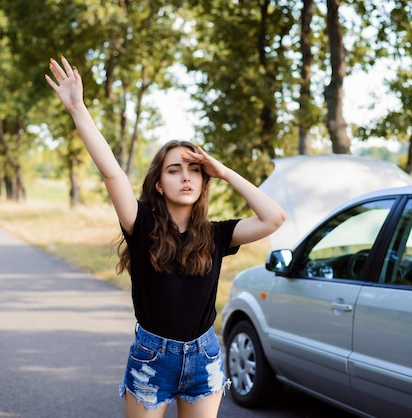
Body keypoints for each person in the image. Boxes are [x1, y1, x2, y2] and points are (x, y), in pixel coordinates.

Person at [45, 56, 285, 418]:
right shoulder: (140, 224)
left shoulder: (217, 234)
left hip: (204, 357)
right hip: (152, 359)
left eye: (194, 170)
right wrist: (78, 108)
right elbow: (112, 173)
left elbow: (273, 218)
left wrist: (223, 171)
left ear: (204, 180)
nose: (186, 177)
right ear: (159, 183)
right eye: (174, 170)